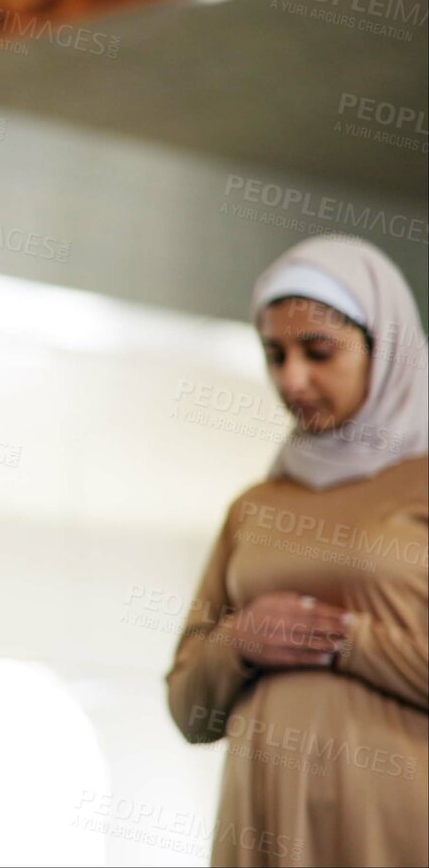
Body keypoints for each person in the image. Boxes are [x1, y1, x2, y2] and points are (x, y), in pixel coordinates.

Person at [166, 235, 428, 867]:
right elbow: (187, 709)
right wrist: (240, 641)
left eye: (318, 352)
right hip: (259, 825)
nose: (292, 379)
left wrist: (342, 638)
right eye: (274, 355)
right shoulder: (254, 506)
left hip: (394, 825)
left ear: (383, 347)